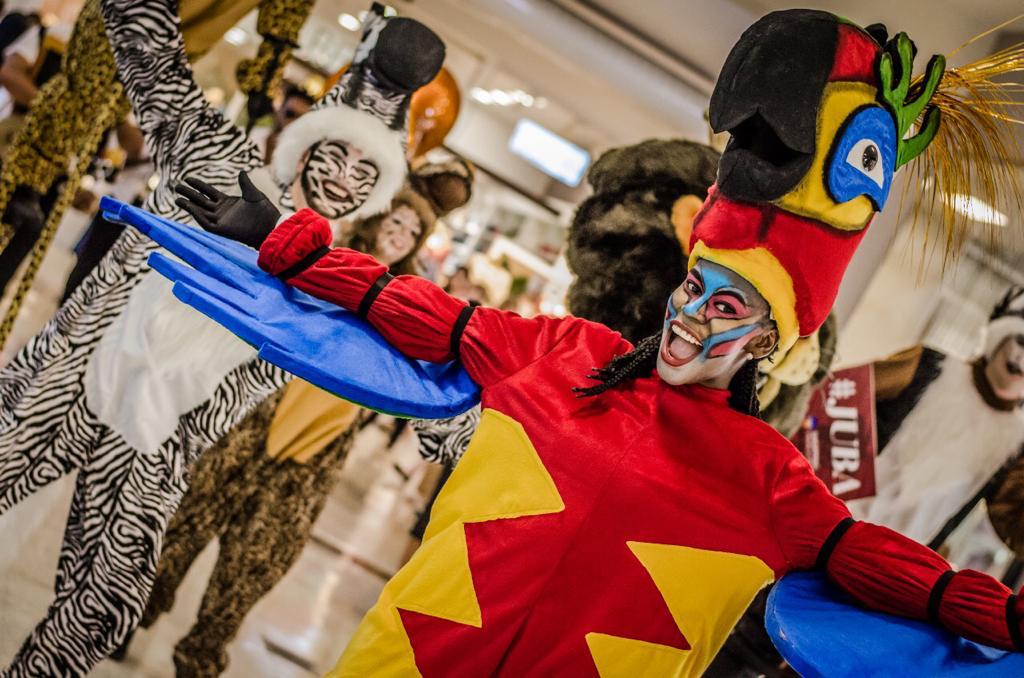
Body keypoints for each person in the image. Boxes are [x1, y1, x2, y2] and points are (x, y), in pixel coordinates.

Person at [172, 10, 1024, 675]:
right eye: (697, 288)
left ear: (770, 340)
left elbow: (901, 571)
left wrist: (1008, 618)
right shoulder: (562, 353)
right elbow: (416, 308)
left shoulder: (769, 482)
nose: (695, 314)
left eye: (732, 310)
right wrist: (281, 239)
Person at [0, 1, 442, 675]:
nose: (344, 179)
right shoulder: (216, 157)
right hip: (72, 376)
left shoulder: (333, 281)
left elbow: (414, 367)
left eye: (367, 173)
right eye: (339, 155)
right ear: (308, 141)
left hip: (154, 443)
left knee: (104, 608)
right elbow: (152, 63)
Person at [132, 188, 437, 676]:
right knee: (189, 521)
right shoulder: (330, 258)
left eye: (412, 232)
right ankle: (133, 614)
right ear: (380, 220)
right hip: (260, 414)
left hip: (319, 442)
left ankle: (199, 658)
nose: (399, 236)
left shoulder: (408, 297)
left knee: (257, 562)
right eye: (395, 223)